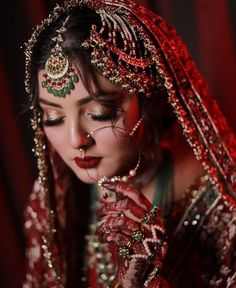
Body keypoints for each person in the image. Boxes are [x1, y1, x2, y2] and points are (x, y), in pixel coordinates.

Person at [22, 0, 236, 287]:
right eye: (52, 117)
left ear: (152, 99)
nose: (75, 140)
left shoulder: (225, 209)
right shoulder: (54, 200)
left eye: (100, 114)